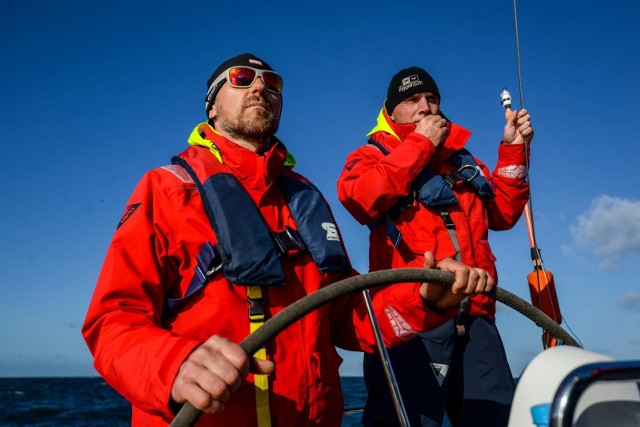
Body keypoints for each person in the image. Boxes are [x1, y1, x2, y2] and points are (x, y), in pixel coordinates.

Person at [82, 54, 495, 427]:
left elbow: (350, 313)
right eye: (242, 78)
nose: (260, 86)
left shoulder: (305, 199)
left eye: (272, 82)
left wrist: (422, 299)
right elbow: (111, 321)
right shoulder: (166, 190)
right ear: (212, 104)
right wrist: (173, 365)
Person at [337, 66, 534, 427]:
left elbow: (503, 214)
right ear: (391, 111)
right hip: (412, 323)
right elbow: (360, 198)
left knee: (494, 419)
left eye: (431, 99)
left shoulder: (464, 161)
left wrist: (512, 151)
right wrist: (421, 144)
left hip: (477, 316)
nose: (425, 107)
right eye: (412, 101)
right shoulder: (370, 157)